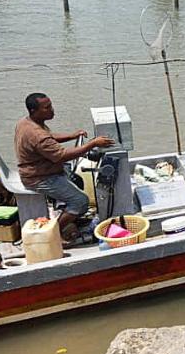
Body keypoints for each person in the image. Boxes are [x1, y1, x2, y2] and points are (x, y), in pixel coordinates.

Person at [15, 93, 114, 242]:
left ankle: (70, 215)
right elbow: (61, 155)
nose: (52, 110)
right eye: (47, 108)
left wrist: (72, 136)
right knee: (81, 201)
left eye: (51, 105)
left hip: (40, 169)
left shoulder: (27, 122)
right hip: (39, 178)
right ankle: (53, 232)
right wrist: (92, 144)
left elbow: (49, 137)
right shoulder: (36, 135)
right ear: (34, 110)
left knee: (76, 179)